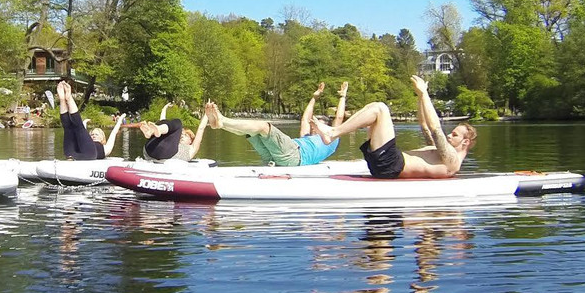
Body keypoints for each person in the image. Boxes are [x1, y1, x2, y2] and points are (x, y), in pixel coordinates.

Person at [312, 75, 476, 179]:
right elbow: (425, 126)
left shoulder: (452, 160)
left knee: (380, 108)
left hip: (391, 165)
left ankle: (333, 133)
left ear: (465, 142)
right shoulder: (442, 152)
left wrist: (425, 94)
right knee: (374, 107)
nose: (449, 136)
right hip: (387, 164)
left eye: (455, 135)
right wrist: (420, 96)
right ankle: (333, 133)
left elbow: (436, 129)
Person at [204, 81, 349, 166]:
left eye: (317, 124)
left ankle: (223, 121)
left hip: (295, 155)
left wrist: (342, 96)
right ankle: (220, 125)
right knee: (251, 131)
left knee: (263, 126)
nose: (313, 126)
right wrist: (314, 97)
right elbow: (305, 119)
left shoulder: (332, 138)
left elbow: (339, 117)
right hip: (274, 157)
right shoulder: (306, 136)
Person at [57, 79, 126, 160]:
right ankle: (62, 99)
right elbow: (82, 136)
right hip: (73, 153)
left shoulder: (106, 148)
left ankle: (69, 98)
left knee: (78, 127)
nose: (93, 136)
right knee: (68, 128)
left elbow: (114, 133)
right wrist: (85, 123)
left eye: (96, 134)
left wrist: (120, 120)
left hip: (89, 155)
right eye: (92, 134)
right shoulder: (86, 142)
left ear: (102, 139)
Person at [139, 101, 208, 162]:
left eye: (186, 135)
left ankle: (152, 131)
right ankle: (152, 131)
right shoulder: (172, 142)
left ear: (191, 141)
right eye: (181, 134)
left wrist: (207, 113)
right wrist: (164, 109)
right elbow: (163, 122)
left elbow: (201, 128)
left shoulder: (192, 149)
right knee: (164, 128)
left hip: (163, 153)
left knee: (178, 123)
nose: (182, 135)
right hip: (150, 148)